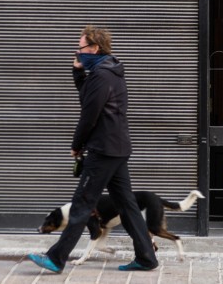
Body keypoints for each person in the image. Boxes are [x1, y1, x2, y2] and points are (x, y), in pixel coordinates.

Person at [28, 25, 158, 273]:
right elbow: (89, 98)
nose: (78, 52)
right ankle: (146, 257)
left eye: (81, 47)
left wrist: (76, 145)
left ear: (95, 48)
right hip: (116, 147)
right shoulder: (109, 71)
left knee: (82, 204)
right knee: (127, 205)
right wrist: (77, 73)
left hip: (103, 150)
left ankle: (56, 258)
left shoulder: (102, 75)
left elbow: (89, 115)